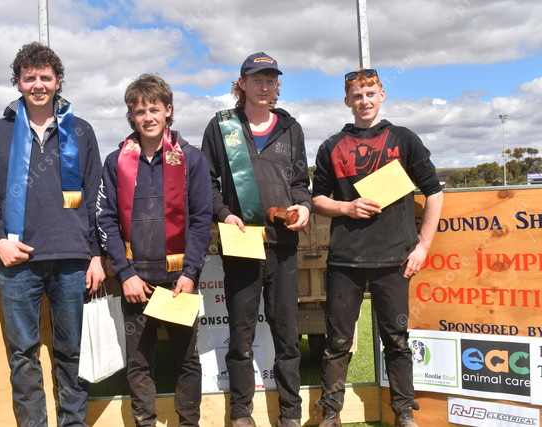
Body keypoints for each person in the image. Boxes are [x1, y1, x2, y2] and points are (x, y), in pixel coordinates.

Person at [0, 42, 105, 426]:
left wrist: (97, 254)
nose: (38, 85)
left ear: (58, 80)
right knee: (23, 355)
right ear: (18, 82)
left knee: (72, 353)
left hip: (73, 261)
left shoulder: (81, 130)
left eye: (45, 77)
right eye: (29, 78)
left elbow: (96, 198)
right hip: (18, 263)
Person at [312, 68, 444, 427]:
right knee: (337, 342)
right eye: (357, 96)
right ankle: (331, 414)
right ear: (347, 101)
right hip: (345, 261)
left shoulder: (404, 139)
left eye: (370, 94)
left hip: (395, 259)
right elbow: (317, 199)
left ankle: (403, 413)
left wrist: (423, 246)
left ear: (381, 95)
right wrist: (346, 208)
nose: (364, 101)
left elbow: (434, 192)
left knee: (397, 340)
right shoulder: (331, 146)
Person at [201, 52, 312, 427]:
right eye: (257, 79)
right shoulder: (221, 127)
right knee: (240, 338)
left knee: (288, 338)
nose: (264, 86)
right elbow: (206, 184)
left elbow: (301, 183)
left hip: (283, 248)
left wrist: (304, 207)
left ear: (277, 85)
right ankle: (241, 414)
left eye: (270, 80)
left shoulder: (291, 128)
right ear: (242, 84)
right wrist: (223, 214)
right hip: (241, 245)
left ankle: (290, 415)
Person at [97, 73, 212, 426]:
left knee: (186, 360)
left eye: (154, 109)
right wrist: (125, 274)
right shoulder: (116, 161)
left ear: (168, 111)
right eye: (140, 111)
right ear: (131, 116)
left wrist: (190, 273)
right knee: (139, 362)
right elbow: (107, 220)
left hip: (179, 281)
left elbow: (201, 220)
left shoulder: (191, 159)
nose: (148, 117)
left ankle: (188, 422)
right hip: (136, 282)